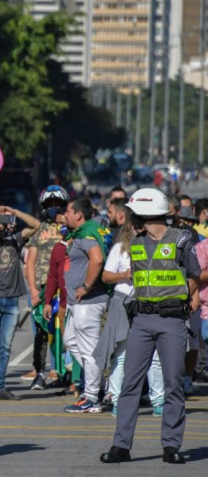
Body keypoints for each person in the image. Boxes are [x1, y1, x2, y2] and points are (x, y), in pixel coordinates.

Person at [101, 188, 201, 465]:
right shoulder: (134, 241)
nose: (130, 218)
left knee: (173, 384)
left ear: (146, 213)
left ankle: (171, 446)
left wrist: (183, 295)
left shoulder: (181, 240)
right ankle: (121, 445)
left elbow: (194, 274)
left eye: (134, 213)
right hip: (142, 320)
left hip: (171, 320)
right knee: (130, 384)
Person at [94, 214, 164, 417]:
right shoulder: (120, 249)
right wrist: (125, 274)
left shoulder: (156, 246)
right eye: (136, 226)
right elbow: (106, 276)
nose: (140, 230)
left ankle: (158, 401)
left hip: (149, 302)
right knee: (121, 354)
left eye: (144, 226)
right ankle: (117, 400)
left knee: (154, 355)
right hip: (123, 302)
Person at [0, 203, 40, 401]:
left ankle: (1, 386)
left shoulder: (15, 238)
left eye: (3, 217)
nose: (1, 220)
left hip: (12, 299)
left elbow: (35, 225)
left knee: (5, 346)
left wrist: (15, 212)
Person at [61, 198, 108, 414]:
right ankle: (99, 384)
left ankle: (91, 398)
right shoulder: (82, 233)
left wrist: (87, 286)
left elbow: (97, 260)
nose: (64, 216)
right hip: (77, 303)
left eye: (68, 212)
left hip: (87, 302)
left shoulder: (87, 234)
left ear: (79, 215)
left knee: (89, 351)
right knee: (70, 340)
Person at [24, 185, 69, 390]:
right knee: (41, 332)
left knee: (67, 334)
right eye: (49, 205)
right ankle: (40, 372)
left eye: (57, 205)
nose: (53, 209)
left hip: (65, 288)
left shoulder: (69, 230)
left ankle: (65, 372)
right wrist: (33, 289)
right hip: (43, 287)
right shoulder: (39, 230)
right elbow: (30, 261)